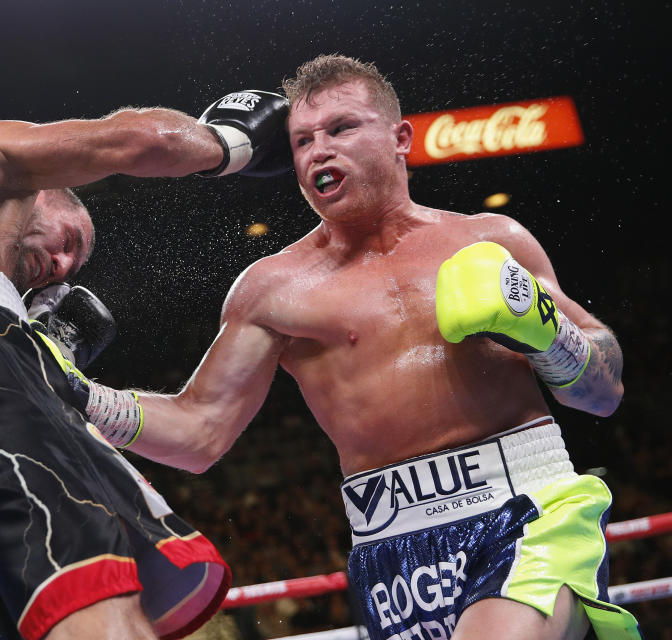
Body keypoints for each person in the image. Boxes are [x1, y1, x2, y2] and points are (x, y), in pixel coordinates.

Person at [66, 56, 642, 639]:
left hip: (527, 510)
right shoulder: (273, 289)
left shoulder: (490, 239)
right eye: (301, 140)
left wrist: (548, 331)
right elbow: (199, 433)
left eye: (341, 128)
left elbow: (604, 392)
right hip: (388, 546)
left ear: (399, 138)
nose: (319, 150)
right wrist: (79, 395)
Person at [0, 98, 291, 640]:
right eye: (71, 242)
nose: (59, 269)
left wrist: (68, 388)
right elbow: (128, 139)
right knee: (98, 604)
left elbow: (200, 437)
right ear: (45, 187)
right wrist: (228, 142)